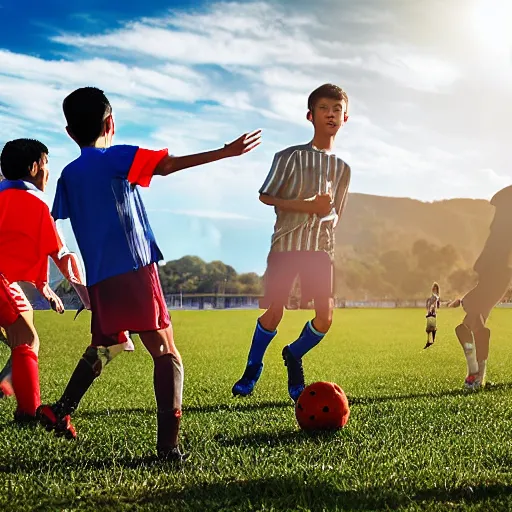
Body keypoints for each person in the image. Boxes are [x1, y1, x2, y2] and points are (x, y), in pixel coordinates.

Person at [37, 86, 261, 461]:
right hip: (135, 269)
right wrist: (225, 152)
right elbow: (168, 164)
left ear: (69, 133)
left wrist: (74, 277)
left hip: (102, 278)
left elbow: (59, 221)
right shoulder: (116, 158)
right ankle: (168, 448)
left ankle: (60, 410)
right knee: (167, 353)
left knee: (106, 346)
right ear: (111, 122)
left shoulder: (68, 175)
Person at [232, 83, 351, 402]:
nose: (331, 114)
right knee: (274, 313)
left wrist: (326, 218)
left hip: (321, 251)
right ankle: (252, 369)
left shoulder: (343, 169)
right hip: (286, 246)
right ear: (310, 116)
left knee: (325, 318)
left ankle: (294, 355)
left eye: (337, 109)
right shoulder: (288, 157)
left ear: (345, 118)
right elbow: (265, 195)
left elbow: (337, 213)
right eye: (324, 108)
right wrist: (308, 204)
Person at [0, 138, 89, 422]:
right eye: (47, 164)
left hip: (6, 282)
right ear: (36, 166)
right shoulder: (36, 204)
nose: (49, 172)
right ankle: (28, 412)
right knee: (27, 340)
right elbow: (61, 254)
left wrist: (42, 286)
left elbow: (17, 248)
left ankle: (9, 389)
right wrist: (87, 296)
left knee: (23, 319)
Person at [450, 185, 512, 390]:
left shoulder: (505, 226)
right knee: (464, 328)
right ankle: (474, 371)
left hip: (497, 277)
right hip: (490, 277)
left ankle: (477, 376)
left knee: (475, 326)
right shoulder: (499, 229)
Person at [424, 282, 440, 349]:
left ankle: (431, 341)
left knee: (431, 327)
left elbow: (434, 304)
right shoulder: (433, 296)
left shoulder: (436, 296)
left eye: (435, 288)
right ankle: (429, 341)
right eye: (433, 288)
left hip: (432, 313)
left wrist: (431, 310)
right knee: (429, 328)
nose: (434, 289)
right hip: (431, 312)